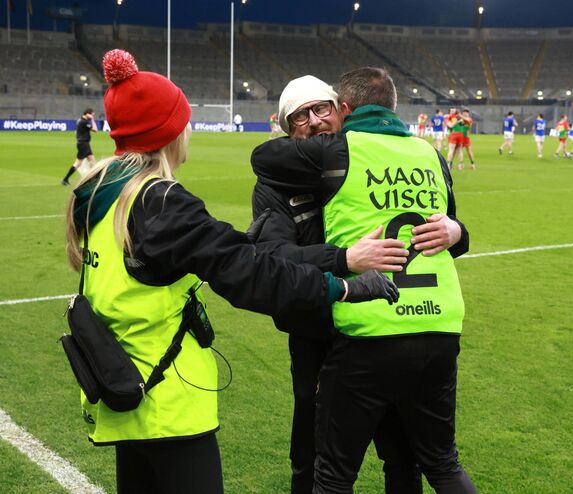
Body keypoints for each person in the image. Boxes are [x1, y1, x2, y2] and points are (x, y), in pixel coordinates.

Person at [64, 50, 400, 494]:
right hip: (166, 398)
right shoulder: (159, 199)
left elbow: (168, 266)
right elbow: (248, 276)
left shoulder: (98, 192)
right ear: (170, 131)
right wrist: (340, 286)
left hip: (121, 386)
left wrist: (236, 246)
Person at [251, 67, 476, 493]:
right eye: (299, 116)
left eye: (321, 108)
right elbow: (273, 259)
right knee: (313, 459)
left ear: (342, 110)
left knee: (402, 456)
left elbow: (440, 225)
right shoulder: (274, 186)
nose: (315, 120)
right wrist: (342, 258)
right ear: (286, 130)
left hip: (379, 327)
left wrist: (457, 231)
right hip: (318, 334)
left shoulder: (369, 155)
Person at [61, 108, 97, 185]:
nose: (92, 116)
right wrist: (93, 120)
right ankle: (65, 179)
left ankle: (92, 180)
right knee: (78, 163)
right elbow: (95, 130)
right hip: (83, 145)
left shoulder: (79, 120)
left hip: (84, 144)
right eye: (91, 115)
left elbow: (76, 132)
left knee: (93, 162)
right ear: (87, 113)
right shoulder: (85, 122)